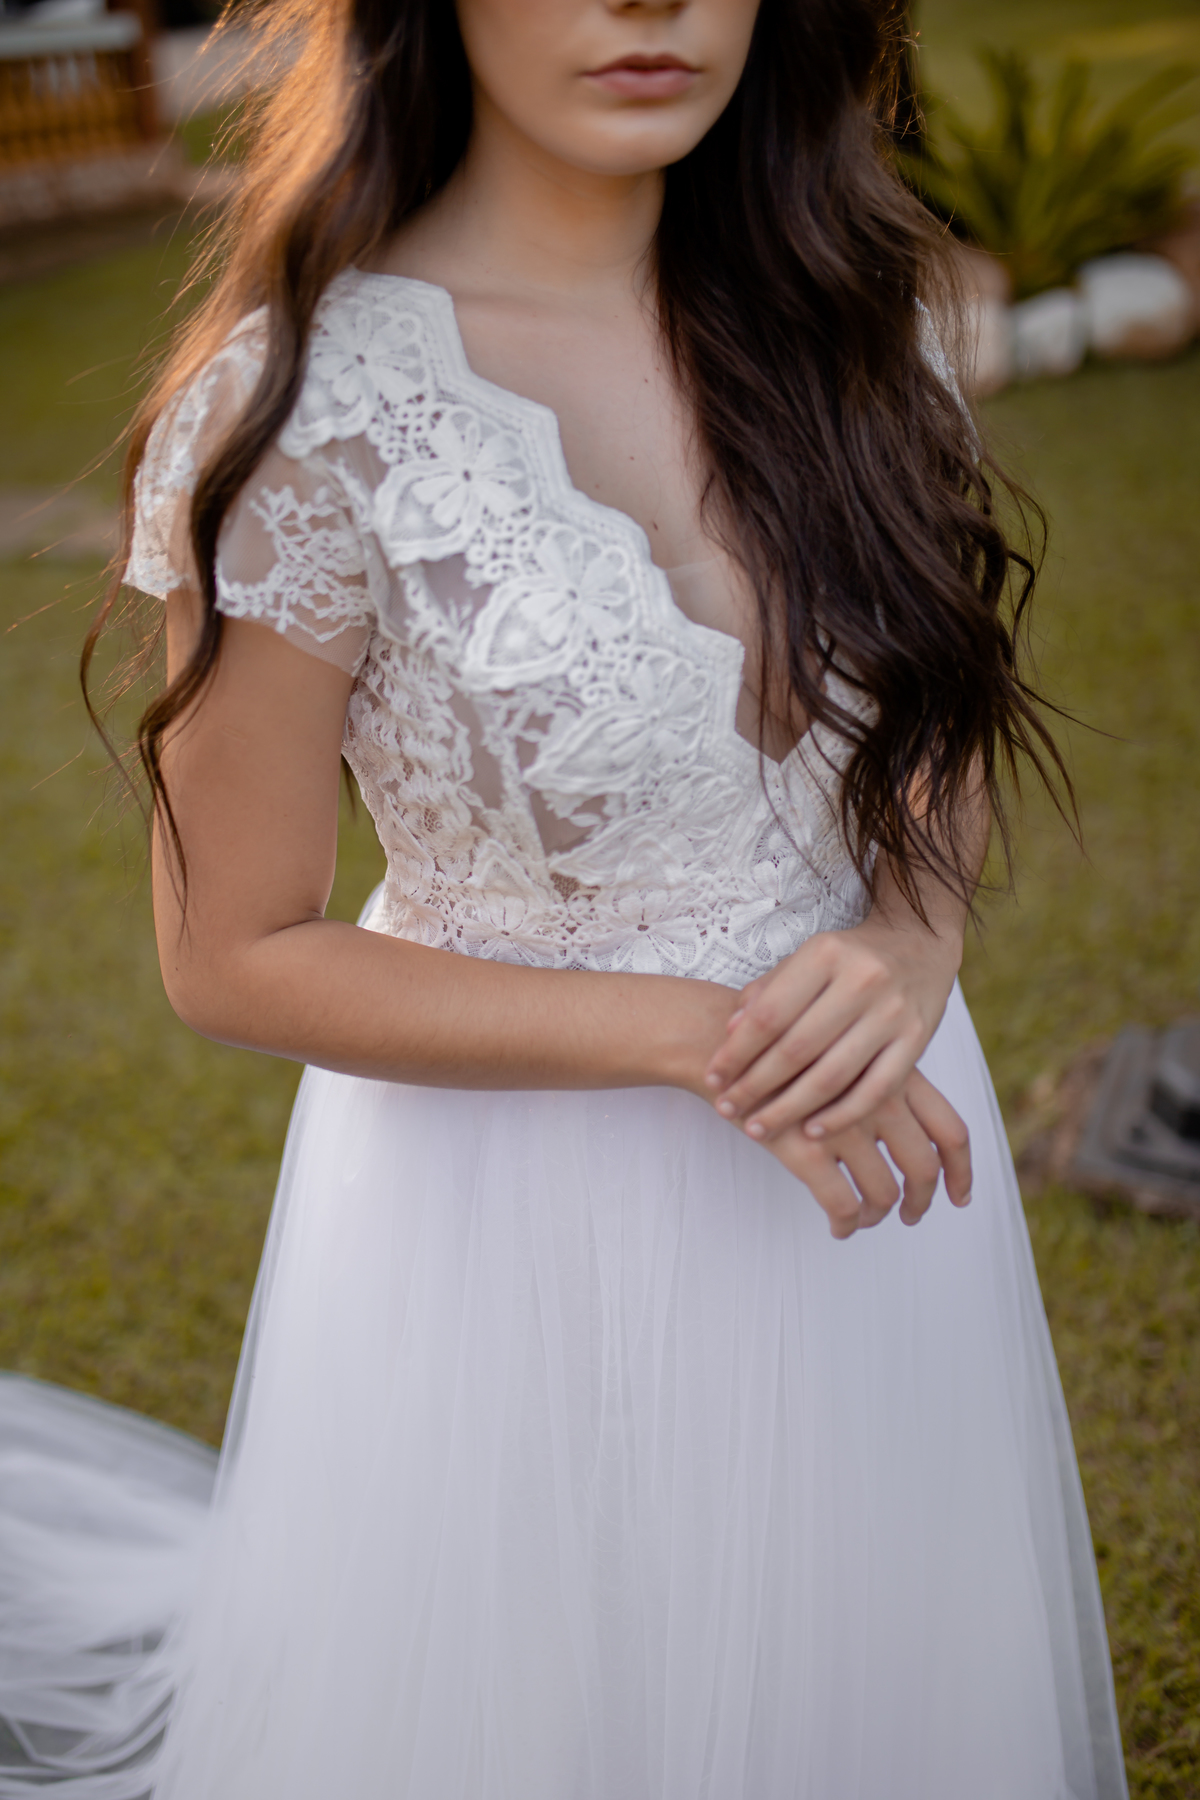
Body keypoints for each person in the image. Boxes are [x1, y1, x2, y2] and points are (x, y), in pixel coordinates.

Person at [0, 0, 1128, 1795]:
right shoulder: (305, 413)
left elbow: (931, 719)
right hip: (515, 1223)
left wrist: (910, 942)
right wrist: (696, 1033)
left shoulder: (859, 315)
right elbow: (230, 950)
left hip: (874, 1166)